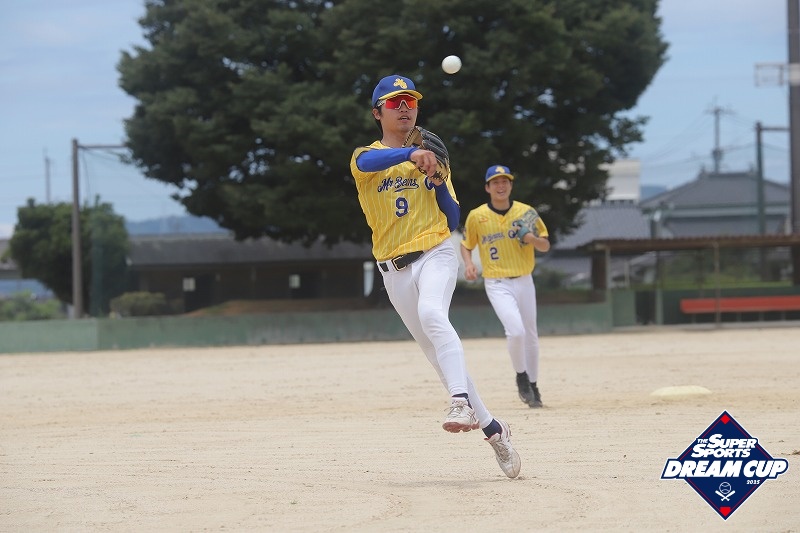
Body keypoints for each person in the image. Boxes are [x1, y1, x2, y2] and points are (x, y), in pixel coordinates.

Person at [349, 75, 521, 478]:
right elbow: (366, 163)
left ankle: (460, 402)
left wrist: (438, 180)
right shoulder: (366, 157)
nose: (404, 108)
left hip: (436, 252)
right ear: (377, 113)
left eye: (410, 102)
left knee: (432, 313)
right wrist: (411, 154)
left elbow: (454, 217)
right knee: (435, 352)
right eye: (395, 103)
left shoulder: (433, 160)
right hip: (392, 268)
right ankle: (494, 430)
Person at [460, 165, 550, 408]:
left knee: (531, 335)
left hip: (524, 279)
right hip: (497, 282)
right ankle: (521, 376)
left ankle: (533, 385)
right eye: (495, 182)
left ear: (510, 185)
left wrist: (531, 239)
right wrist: (469, 263)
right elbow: (466, 244)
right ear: (487, 187)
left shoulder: (526, 213)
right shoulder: (477, 215)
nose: (501, 186)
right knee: (516, 331)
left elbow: (545, 245)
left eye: (505, 181)